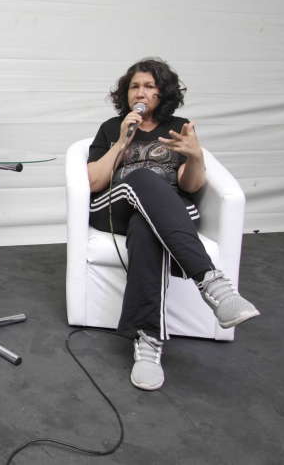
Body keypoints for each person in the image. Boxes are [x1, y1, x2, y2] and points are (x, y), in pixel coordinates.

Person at [87, 58, 259, 391]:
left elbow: (191, 186)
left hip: (167, 211)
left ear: (162, 92)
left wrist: (196, 156)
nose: (141, 92)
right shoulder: (112, 126)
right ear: (127, 92)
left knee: (147, 228)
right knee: (141, 178)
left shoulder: (178, 126)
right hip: (114, 206)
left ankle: (148, 343)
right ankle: (214, 285)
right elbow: (94, 182)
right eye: (135, 86)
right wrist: (123, 141)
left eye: (150, 86)